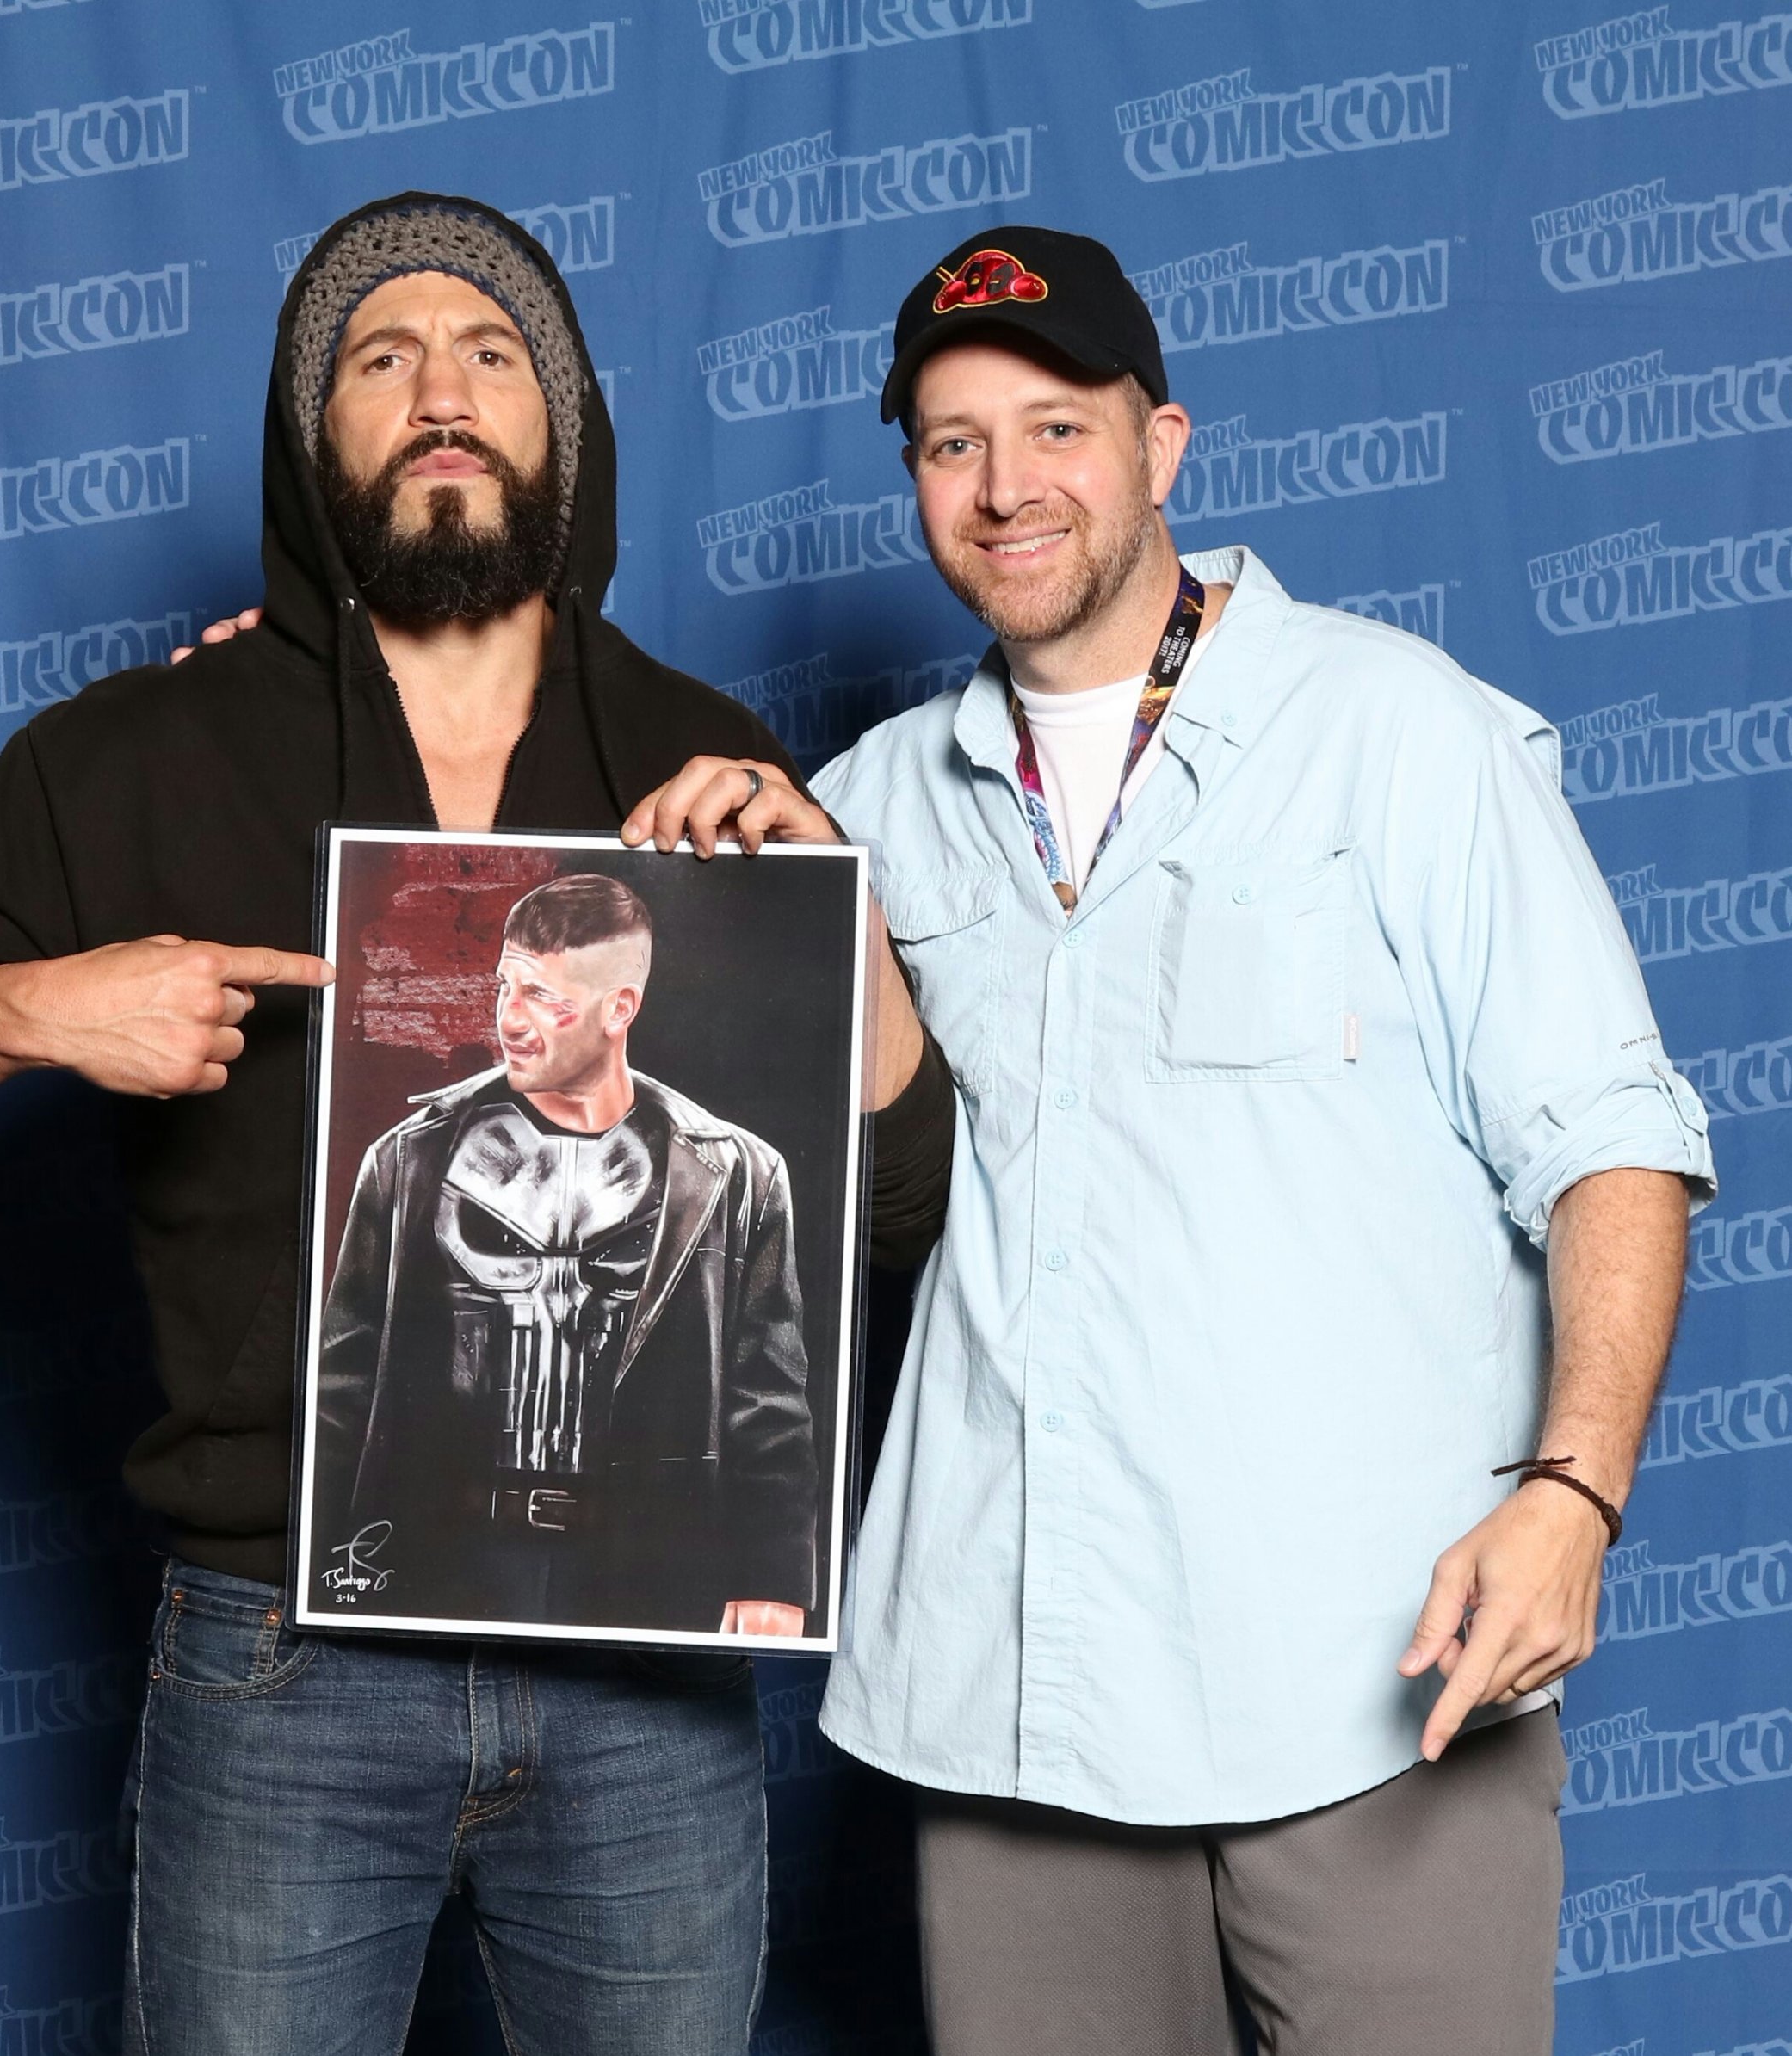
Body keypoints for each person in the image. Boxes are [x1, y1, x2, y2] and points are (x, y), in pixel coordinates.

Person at [0, 192, 827, 2056]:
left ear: (565, 423)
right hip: (284, 1662)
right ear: (315, 442)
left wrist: (832, 954)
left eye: (491, 354)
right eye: (379, 361)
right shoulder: (146, 758)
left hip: (648, 1678)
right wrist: (35, 1006)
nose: (439, 390)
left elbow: (881, 1215)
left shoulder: (716, 773)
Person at [630, 227, 1715, 2056]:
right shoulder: (867, 811)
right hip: (1014, 1717)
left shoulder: (1396, 737)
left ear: (1161, 445)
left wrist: (1572, 1494)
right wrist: (310, 648)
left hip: (1375, 1694)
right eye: (949, 442)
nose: (1002, 486)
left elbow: (1609, 1135)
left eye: (1052, 427)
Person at [311, 870, 817, 1636]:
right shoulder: (410, 1161)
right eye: (505, 987)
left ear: (621, 1009)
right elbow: (341, 1387)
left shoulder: (738, 1174)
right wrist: (312, 1556)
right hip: (439, 1559)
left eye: (544, 996)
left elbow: (768, 1397)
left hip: (648, 1565)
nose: (511, 1019)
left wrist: (775, 1576)